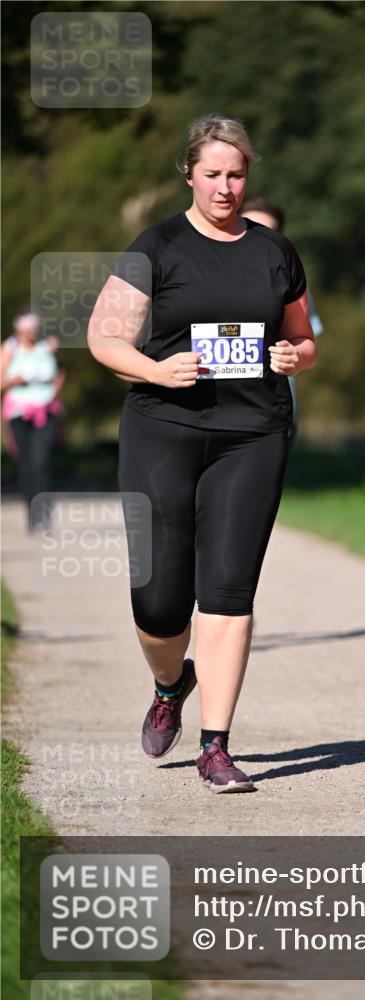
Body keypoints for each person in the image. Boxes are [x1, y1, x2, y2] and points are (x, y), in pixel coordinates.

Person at [88, 115, 316, 793]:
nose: (225, 186)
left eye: (236, 174)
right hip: (163, 428)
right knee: (159, 603)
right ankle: (169, 684)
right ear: (188, 173)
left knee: (227, 590)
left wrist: (290, 354)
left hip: (253, 433)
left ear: (249, 175)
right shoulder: (155, 246)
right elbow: (106, 339)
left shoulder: (275, 251)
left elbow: (304, 340)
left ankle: (215, 746)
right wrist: (155, 371)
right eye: (212, 174)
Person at [241, 196, 324, 441]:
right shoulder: (201, 273)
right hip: (207, 411)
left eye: (268, 231)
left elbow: (307, 344)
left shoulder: (291, 282)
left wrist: (295, 355)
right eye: (250, 228)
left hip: (272, 411)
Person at [1, 312, 65, 532]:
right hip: (18, 411)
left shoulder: (49, 345)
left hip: (46, 410)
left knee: (41, 462)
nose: (29, 334)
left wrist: (55, 389)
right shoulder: (10, 348)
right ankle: (31, 515)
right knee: (26, 466)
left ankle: (44, 514)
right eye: (24, 330)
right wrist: (12, 380)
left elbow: (60, 371)